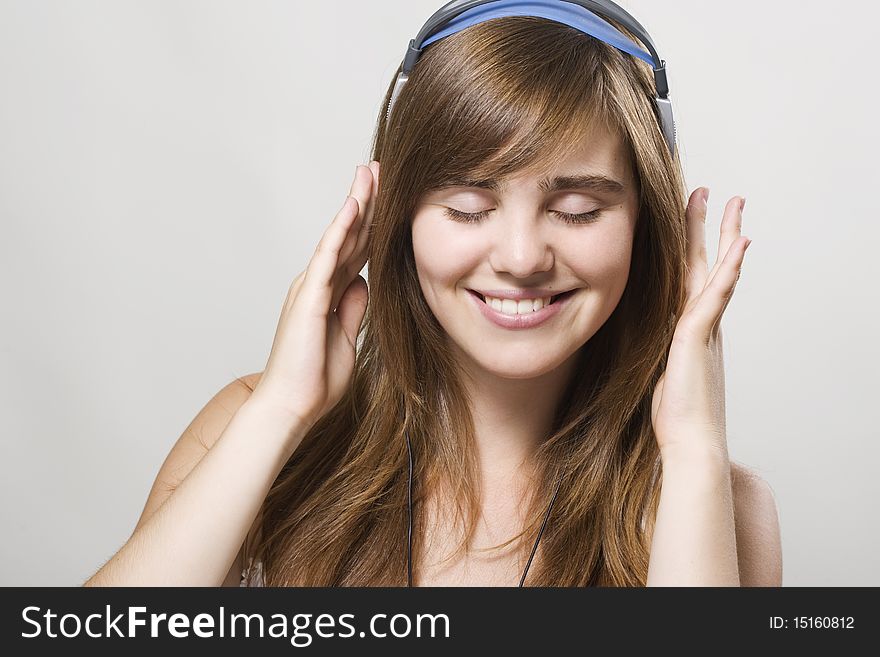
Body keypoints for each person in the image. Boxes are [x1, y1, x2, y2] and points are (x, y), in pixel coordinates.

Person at [83, 5, 782, 588]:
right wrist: (281, 410)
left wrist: (691, 449)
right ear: (396, 216)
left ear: (646, 226)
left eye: (575, 208)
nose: (519, 257)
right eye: (469, 206)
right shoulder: (249, 430)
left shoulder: (718, 503)